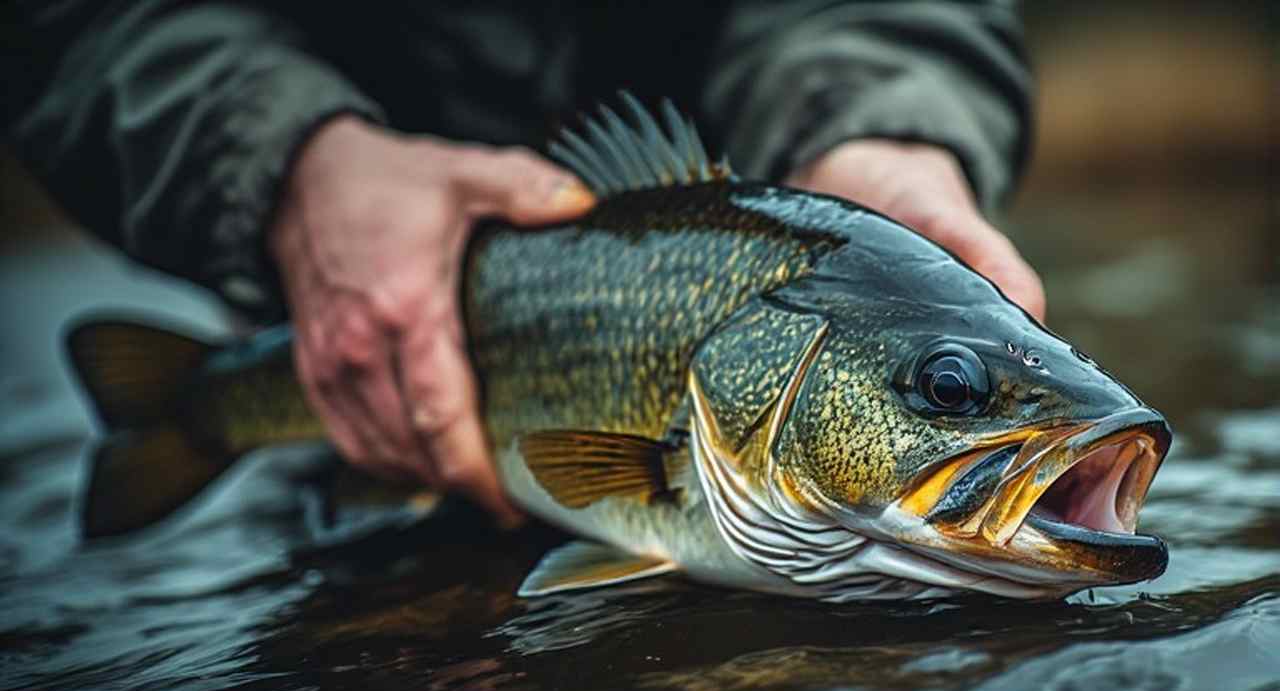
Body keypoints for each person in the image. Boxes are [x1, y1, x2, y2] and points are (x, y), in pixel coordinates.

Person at [3, 1, 1044, 527]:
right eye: (951, 391)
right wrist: (283, 163)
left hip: (779, 204)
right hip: (355, 329)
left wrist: (883, 128)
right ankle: (196, 408)